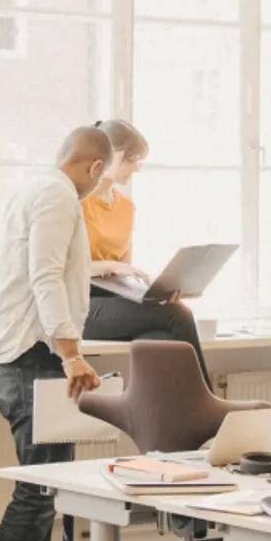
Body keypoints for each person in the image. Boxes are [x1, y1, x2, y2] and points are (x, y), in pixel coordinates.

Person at [0, 125, 112, 541]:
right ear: (94, 168)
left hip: (20, 354)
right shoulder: (57, 195)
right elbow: (46, 276)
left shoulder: (33, 189)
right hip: (30, 357)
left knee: (48, 483)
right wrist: (71, 351)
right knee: (39, 487)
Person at [81, 118, 215, 385]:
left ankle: (170, 421)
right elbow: (64, 268)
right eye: (133, 160)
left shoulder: (126, 208)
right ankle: (207, 402)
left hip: (113, 300)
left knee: (162, 337)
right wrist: (110, 266)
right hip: (80, 305)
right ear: (115, 155)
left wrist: (151, 293)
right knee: (179, 315)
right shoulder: (77, 202)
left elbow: (121, 275)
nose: (137, 169)